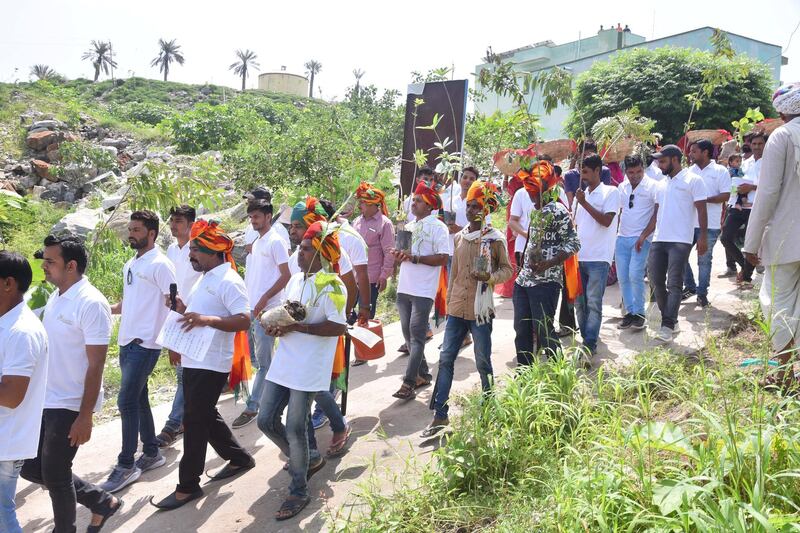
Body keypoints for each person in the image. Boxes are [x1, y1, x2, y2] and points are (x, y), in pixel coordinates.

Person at [150, 220, 255, 510]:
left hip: (213, 362)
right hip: (194, 357)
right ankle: (238, 458)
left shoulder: (230, 280)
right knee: (204, 414)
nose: (190, 254)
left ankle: (187, 486)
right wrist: (182, 309)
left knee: (193, 421)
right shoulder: (205, 277)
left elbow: (244, 320)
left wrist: (207, 320)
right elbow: (199, 315)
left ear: (213, 251)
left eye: (195, 249)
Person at [20, 236, 122, 533]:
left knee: (55, 473)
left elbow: (96, 364)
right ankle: (102, 501)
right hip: (47, 398)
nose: (44, 266)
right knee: (29, 466)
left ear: (71, 266)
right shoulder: (58, 296)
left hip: (71, 402)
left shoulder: (91, 302)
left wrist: (85, 415)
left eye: (51, 262)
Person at [257, 222, 348, 521]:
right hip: (286, 360)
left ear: (322, 254)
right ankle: (306, 459)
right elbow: (288, 313)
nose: (299, 253)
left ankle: (299, 489)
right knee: (265, 419)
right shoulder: (295, 279)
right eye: (300, 247)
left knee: (296, 427)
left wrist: (298, 327)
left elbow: (337, 326)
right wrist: (278, 327)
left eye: (306, 249)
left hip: (310, 366)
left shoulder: (334, 285)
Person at [423, 181, 512, 436]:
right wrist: (449, 302)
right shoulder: (461, 236)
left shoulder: (494, 239)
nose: (472, 210)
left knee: (483, 361)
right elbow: (454, 274)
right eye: (470, 206)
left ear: (486, 210)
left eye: (477, 206)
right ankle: (440, 414)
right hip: (457, 309)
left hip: (480, 310)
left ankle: (488, 408)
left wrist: (489, 278)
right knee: (445, 358)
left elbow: (507, 269)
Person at [101, 211, 176, 493]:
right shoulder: (132, 262)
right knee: (139, 399)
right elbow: (129, 300)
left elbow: (173, 303)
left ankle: (126, 465)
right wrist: (105, 308)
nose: (131, 233)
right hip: (127, 340)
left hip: (146, 343)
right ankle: (152, 453)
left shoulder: (161, 264)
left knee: (126, 401)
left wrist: (173, 343)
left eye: (136, 230)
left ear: (152, 234)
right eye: (130, 229)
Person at [743, 82, 800, 393]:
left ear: (782, 111)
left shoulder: (783, 136)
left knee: (776, 304)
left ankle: (783, 375)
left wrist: (751, 244)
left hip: (786, 240)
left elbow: (767, 194)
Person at [286, 199, 354, 452]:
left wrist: (340, 318)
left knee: (316, 386)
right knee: (309, 387)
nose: (292, 231)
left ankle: (321, 439)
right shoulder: (297, 256)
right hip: (297, 337)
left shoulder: (333, 250)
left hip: (322, 331)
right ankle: (312, 448)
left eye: (296, 226)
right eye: (291, 227)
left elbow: (350, 283)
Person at [513, 161, 581, 364]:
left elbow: (574, 243)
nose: (531, 197)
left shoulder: (558, 211)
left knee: (544, 329)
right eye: (529, 192)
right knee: (521, 329)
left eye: (534, 193)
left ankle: (558, 373)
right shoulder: (535, 212)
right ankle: (524, 373)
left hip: (546, 281)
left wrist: (549, 262)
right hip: (524, 280)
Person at [232, 200, 291, 429]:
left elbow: (285, 275)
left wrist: (265, 299)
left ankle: (253, 406)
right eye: (251, 217)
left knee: (264, 362)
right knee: (260, 358)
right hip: (253, 309)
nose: (253, 221)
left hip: (268, 309)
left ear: (268, 216)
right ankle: (273, 391)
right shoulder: (257, 243)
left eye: (256, 217)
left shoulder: (275, 241)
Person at [0, 252, 47, 533]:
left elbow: (12, 395)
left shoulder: (22, 331)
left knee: (3, 517)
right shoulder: (7, 323)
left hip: (7, 441)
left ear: (8, 284)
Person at [391, 181, 450, 400]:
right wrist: (397, 257)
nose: (413, 203)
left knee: (416, 337)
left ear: (429, 206)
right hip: (404, 287)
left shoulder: (438, 227)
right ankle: (423, 373)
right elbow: (402, 256)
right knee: (408, 335)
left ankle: (408, 383)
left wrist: (415, 258)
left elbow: (443, 257)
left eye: (418, 200)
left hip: (423, 290)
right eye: (413, 199)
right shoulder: (409, 226)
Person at [647, 145, 708, 343]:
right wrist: (646, 234)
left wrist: (703, 237)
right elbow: (657, 212)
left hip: (680, 240)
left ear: (674, 159)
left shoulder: (693, 180)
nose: (659, 165)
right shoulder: (661, 183)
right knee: (655, 281)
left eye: (662, 161)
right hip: (659, 238)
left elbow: (701, 210)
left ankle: (667, 325)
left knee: (674, 283)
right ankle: (672, 320)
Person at [157, 205, 202, 448]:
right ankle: (186, 418)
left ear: (190, 223)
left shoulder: (199, 249)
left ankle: (173, 424)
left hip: (196, 317)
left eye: (179, 221)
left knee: (187, 374)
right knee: (184, 374)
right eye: (172, 220)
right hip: (175, 316)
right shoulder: (172, 251)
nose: (174, 225)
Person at [573, 154, 618, 356]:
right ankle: (587, 337)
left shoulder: (611, 192)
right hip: (579, 256)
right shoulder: (582, 195)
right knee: (580, 303)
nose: (583, 176)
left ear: (597, 171)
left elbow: (606, 221)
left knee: (593, 302)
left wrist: (583, 203)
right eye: (581, 172)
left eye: (586, 172)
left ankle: (590, 343)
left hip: (599, 257)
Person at [682, 139, 731, 307]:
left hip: (710, 224)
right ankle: (690, 286)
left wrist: (703, 199)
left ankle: (702, 293)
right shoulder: (689, 172)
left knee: (704, 260)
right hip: (688, 222)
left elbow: (726, 196)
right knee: (679, 256)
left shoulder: (720, 171)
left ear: (705, 152)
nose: (690, 154)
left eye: (694, 151)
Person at [615, 154, 658, 330]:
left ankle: (640, 313)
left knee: (635, 275)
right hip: (622, 237)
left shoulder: (652, 186)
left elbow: (657, 214)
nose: (635, 175)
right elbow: (619, 212)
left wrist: (644, 235)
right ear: (625, 171)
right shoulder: (622, 187)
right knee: (623, 277)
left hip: (642, 238)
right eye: (631, 172)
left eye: (639, 171)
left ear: (643, 169)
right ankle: (629, 313)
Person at [721, 133, 766, 288]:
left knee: (751, 243)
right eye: (754, 144)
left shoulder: (770, 163)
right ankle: (744, 267)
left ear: (765, 145)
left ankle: (746, 277)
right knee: (725, 237)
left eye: (760, 143)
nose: (757, 146)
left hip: (757, 207)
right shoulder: (745, 163)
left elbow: (773, 187)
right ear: (750, 145)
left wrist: (752, 187)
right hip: (739, 205)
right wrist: (736, 190)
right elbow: (737, 181)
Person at [352, 182, 395, 319]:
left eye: (363, 203)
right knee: (349, 314)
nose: (360, 206)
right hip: (353, 276)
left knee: (365, 316)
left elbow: (389, 252)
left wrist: (384, 275)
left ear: (371, 204)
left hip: (371, 278)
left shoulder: (385, 223)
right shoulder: (357, 221)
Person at [563, 142, 613, 207]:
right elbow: (571, 204)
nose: (586, 159)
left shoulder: (604, 172)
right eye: (584, 156)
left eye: (589, 156)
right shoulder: (569, 175)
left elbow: (605, 198)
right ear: (579, 155)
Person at [719, 153, 744, 279]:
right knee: (727, 237)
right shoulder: (727, 173)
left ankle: (748, 265)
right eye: (736, 161)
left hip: (746, 206)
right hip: (731, 205)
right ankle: (732, 266)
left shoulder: (742, 170)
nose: (738, 163)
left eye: (740, 161)